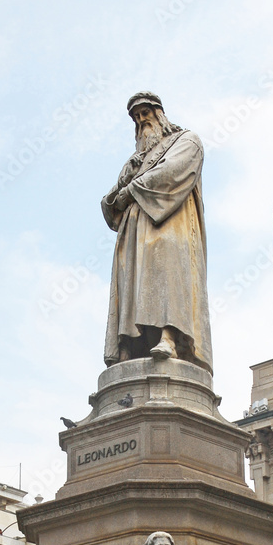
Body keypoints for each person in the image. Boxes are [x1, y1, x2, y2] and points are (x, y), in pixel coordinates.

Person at [101, 92, 213, 372]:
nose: (141, 121)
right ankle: (130, 344)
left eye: (145, 114)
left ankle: (170, 337)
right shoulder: (134, 161)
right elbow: (113, 201)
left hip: (169, 226)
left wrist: (131, 190)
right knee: (132, 284)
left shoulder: (186, 140)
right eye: (136, 118)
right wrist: (117, 195)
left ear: (160, 113)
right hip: (133, 235)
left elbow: (172, 173)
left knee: (168, 277)